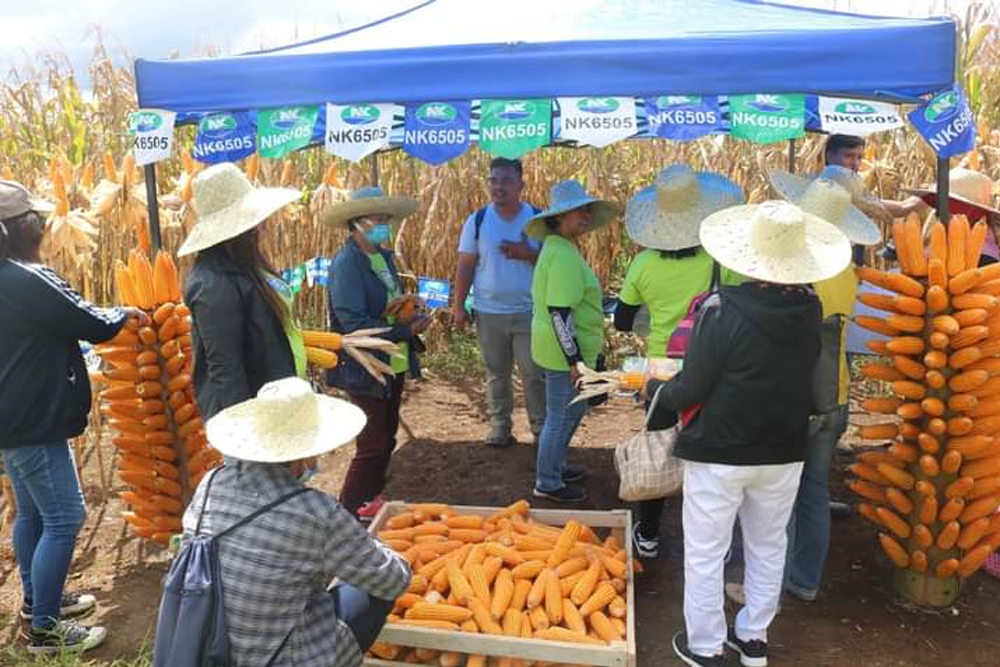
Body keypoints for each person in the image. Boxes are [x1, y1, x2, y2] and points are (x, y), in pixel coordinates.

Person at [651, 200, 850, 667]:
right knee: (768, 543)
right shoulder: (810, 308)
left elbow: (694, 384)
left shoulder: (722, 308)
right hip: (783, 448)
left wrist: (658, 393)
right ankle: (754, 639)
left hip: (721, 449)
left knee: (706, 550)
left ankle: (706, 645)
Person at [0, 180, 148, 652]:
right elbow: (89, 321)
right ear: (19, 229)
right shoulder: (25, 279)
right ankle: (45, 629)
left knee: (34, 514)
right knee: (65, 516)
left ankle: (39, 601)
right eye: (35, 220)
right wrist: (126, 314)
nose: (43, 226)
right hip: (34, 418)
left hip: (11, 420)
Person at [181, 376, 410, 667]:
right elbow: (393, 579)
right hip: (279, 659)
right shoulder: (315, 511)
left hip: (209, 649)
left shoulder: (211, 483)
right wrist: (373, 543)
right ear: (305, 452)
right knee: (369, 591)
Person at [752, 174, 879, 604]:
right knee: (814, 489)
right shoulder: (847, 272)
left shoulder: (798, 273)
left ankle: (769, 583)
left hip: (794, 399)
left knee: (778, 489)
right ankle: (805, 580)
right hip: (835, 396)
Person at [614, 164, 744, 558]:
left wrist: (660, 317)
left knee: (659, 449)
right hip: (712, 367)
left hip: (661, 371)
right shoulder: (720, 261)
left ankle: (648, 535)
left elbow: (621, 319)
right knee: (708, 454)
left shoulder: (642, 264)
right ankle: (713, 543)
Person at [323, 187, 430, 519]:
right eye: (377, 219)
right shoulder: (347, 264)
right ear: (356, 223)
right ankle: (347, 513)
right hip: (366, 363)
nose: (384, 224)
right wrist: (403, 330)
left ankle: (370, 501)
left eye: (386, 219)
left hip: (391, 358)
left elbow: (386, 305)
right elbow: (352, 321)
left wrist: (409, 310)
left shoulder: (383, 257)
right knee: (371, 445)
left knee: (387, 437)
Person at [179, 163, 304, 422]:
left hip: (279, 403)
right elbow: (226, 369)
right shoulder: (213, 284)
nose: (263, 225)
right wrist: (248, 433)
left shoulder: (245, 263)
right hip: (256, 420)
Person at [527, 180, 618, 503]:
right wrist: (575, 361)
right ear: (558, 217)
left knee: (571, 412)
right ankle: (548, 481)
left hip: (559, 348)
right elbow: (559, 312)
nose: (584, 215)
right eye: (577, 210)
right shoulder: (563, 255)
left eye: (586, 209)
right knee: (560, 415)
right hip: (561, 352)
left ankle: (556, 465)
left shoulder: (559, 248)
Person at [453, 157, 546, 447]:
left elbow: (558, 262)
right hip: (489, 312)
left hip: (529, 311)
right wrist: (458, 307)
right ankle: (500, 426)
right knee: (496, 373)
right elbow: (465, 264)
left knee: (534, 373)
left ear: (521, 184)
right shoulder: (478, 220)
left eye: (506, 180)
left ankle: (541, 428)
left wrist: (528, 253)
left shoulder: (537, 220)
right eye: (493, 180)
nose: (498, 186)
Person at [903, 166, 1000, 266]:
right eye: (939, 204)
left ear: (974, 211)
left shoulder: (985, 255)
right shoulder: (942, 235)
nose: (938, 212)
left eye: (951, 206)